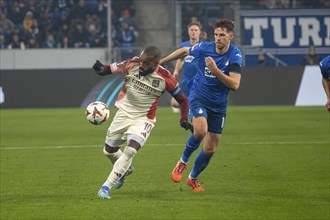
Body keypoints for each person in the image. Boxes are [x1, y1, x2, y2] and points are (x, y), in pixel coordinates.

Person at [92, 46, 193, 199]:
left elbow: (183, 100)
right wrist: (99, 68)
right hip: (123, 114)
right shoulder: (132, 64)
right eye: (141, 61)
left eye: (146, 64)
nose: (142, 65)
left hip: (144, 119)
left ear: (156, 64)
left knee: (130, 150)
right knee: (108, 151)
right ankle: (125, 169)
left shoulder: (166, 78)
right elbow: (108, 69)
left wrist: (184, 118)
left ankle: (105, 187)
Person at [160, 18, 243, 192]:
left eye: (221, 35)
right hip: (198, 96)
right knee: (200, 130)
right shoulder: (205, 48)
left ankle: (193, 178)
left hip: (218, 105)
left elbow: (234, 85)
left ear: (230, 36)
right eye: (216, 35)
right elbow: (184, 50)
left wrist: (216, 71)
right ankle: (182, 162)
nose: (218, 38)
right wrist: (161, 61)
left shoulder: (235, 56)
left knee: (210, 148)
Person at [171, 21, 202, 113]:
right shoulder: (184, 45)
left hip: (198, 81)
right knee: (174, 103)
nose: (193, 32)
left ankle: (193, 111)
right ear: (188, 31)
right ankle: (189, 107)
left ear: (199, 32)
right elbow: (180, 60)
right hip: (186, 80)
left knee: (196, 103)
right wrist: (176, 70)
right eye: (191, 30)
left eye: (196, 30)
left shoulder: (203, 46)